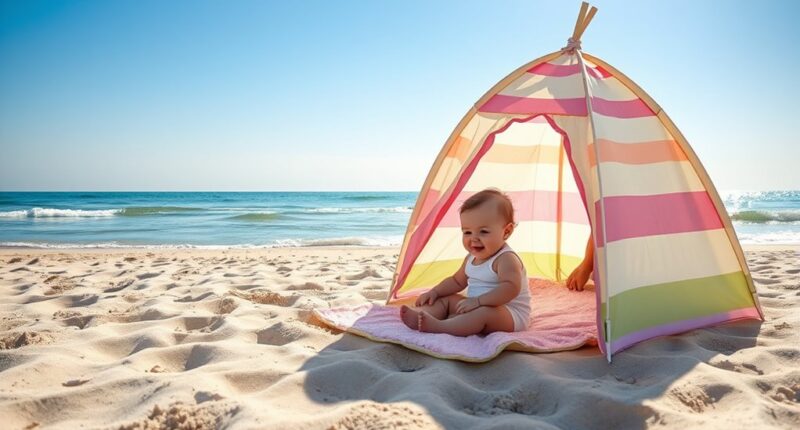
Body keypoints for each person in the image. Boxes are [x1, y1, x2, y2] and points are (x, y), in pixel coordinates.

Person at [400, 188, 531, 336]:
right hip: (475, 304)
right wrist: (435, 292)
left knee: (483, 313)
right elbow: (456, 281)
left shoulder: (506, 259)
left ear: (506, 231)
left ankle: (441, 327)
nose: (473, 238)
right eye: (467, 232)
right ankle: (422, 315)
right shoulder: (471, 258)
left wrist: (479, 302)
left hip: (509, 314)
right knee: (447, 299)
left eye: (484, 232)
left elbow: (511, 288)